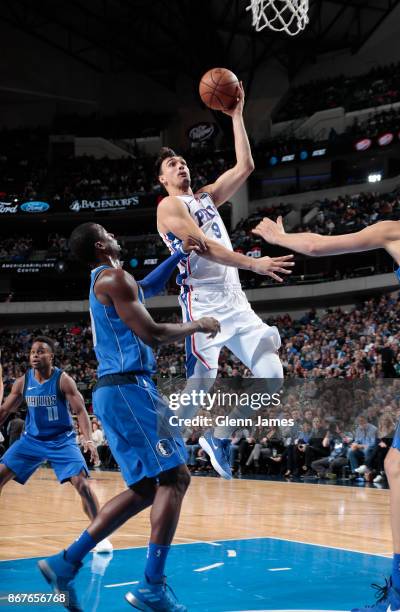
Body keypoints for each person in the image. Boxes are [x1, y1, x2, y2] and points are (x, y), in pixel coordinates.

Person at [38, 223, 220, 612]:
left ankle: (65, 562)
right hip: (129, 390)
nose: (117, 235)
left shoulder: (111, 280)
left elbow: (147, 288)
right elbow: (153, 333)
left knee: (146, 489)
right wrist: (198, 325)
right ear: (102, 244)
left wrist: (178, 256)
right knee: (175, 477)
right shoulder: (113, 278)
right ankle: (152, 585)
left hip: (117, 391)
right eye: (110, 232)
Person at [253, 195, 400, 611]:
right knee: (397, 464)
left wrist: (280, 236)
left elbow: (321, 245)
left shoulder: (398, 230)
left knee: (399, 466)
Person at [156, 83, 294, 479]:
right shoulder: (169, 206)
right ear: (163, 180)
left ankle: (220, 434)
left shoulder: (204, 197)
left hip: (236, 300)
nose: (181, 165)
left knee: (272, 374)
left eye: (182, 161)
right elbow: (202, 247)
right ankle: (163, 447)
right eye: (171, 165)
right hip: (205, 304)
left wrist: (236, 116)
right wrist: (255, 264)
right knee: (199, 387)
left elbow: (245, 166)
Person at [0, 337, 112, 554]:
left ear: (51, 356)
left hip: (61, 441)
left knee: (83, 485)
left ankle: (99, 535)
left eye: (40, 351)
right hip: (31, 441)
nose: (34, 355)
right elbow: (5, 411)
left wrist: (88, 439)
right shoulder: (23, 382)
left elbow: (80, 411)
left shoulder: (64, 380)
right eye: (32, 352)